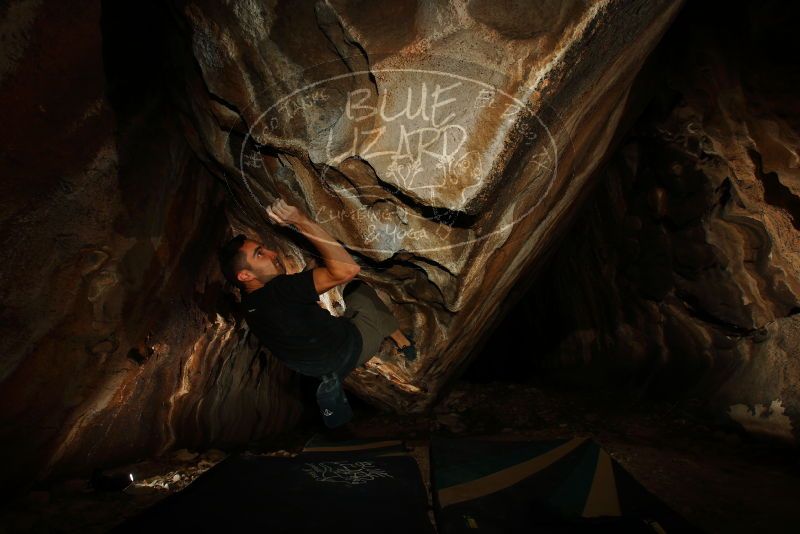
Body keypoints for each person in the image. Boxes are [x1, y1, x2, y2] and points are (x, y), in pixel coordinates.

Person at [217, 198, 416, 395]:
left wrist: (311, 268)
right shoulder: (281, 291)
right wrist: (301, 219)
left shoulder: (250, 304)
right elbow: (347, 270)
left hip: (321, 369)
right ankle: (402, 341)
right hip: (353, 349)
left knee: (336, 309)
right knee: (359, 290)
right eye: (260, 254)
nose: (273, 254)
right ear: (245, 275)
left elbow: (288, 300)